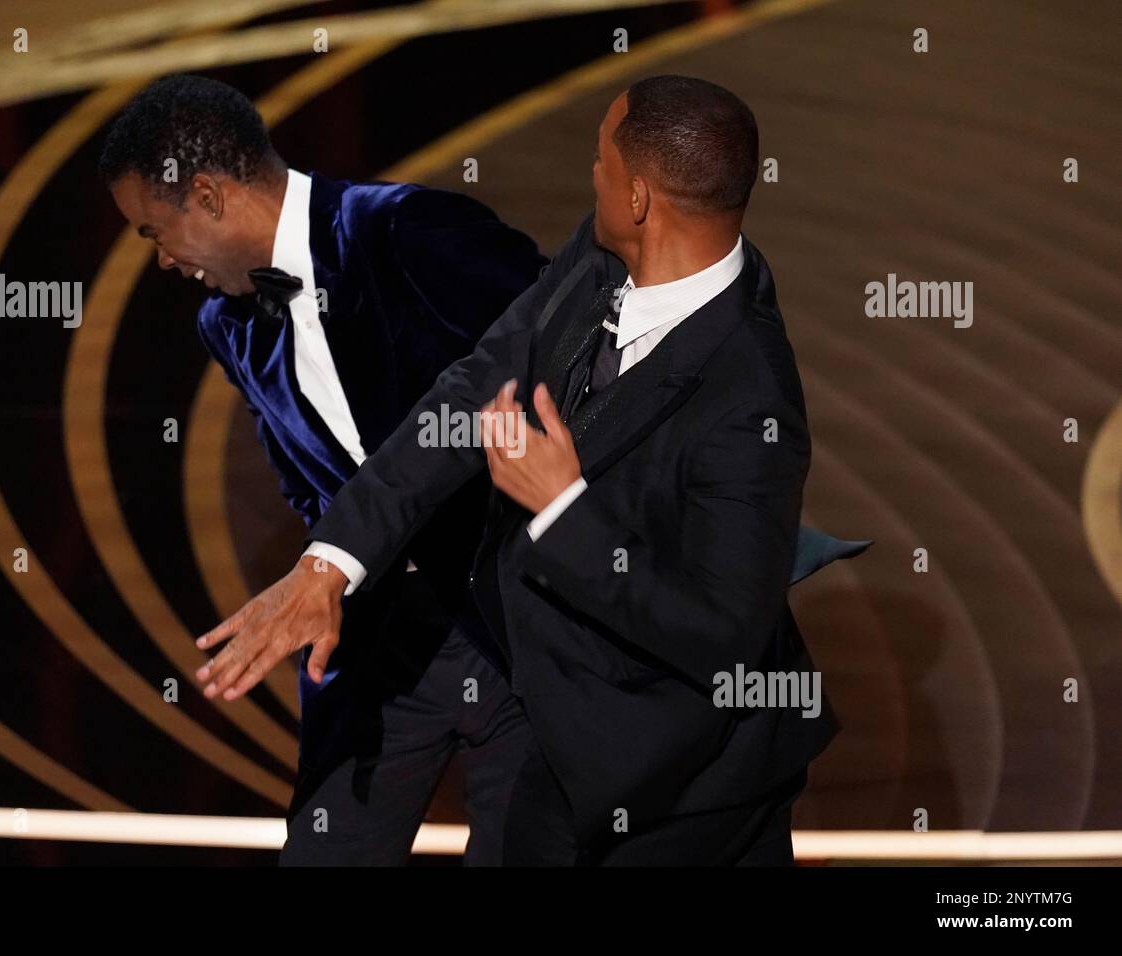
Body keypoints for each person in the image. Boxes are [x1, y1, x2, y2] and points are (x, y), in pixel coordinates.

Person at [195, 75, 868, 865]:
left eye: (599, 162)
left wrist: (562, 508)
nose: (591, 176)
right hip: (558, 747)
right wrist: (330, 563)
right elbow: (472, 387)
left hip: (686, 791)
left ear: (642, 199)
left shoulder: (752, 400)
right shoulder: (600, 255)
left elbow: (721, 636)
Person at [100, 74, 547, 865]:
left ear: (206, 195)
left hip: (519, 627)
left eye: (151, 231)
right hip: (375, 641)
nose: (162, 260)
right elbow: (308, 483)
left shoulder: (412, 229)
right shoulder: (225, 325)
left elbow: (571, 373)